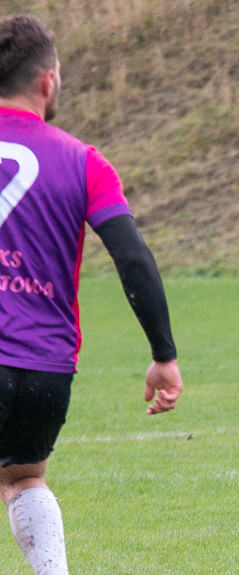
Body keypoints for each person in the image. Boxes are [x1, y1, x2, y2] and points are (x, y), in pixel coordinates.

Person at [0, 14, 184, 573]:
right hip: (46, 367)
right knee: (25, 477)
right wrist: (164, 355)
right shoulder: (84, 162)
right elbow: (133, 258)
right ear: (48, 81)